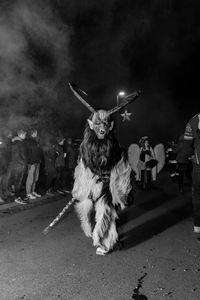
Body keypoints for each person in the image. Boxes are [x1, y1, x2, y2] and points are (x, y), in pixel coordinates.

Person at [176, 113, 200, 234]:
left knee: (197, 196)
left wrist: (184, 159)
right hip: (192, 165)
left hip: (197, 166)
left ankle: (198, 226)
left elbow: (187, 147)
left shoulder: (194, 120)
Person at [7, 129, 28, 205]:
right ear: (21, 135)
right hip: (19, 166)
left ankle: (18, 196)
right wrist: (23, 163)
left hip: (17, 165)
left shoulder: (18, 142)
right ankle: (17, 197)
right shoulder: (18, 143)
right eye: (25, 134)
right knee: (18, 182)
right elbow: (17, 156)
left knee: (18, 182)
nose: (25, 135)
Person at [25, 129, 43, 200]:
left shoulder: (36, 141)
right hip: (32, 163)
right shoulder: (29, 141)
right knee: (30, 178)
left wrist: (39, 160)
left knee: (35, 178)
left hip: (37, 162)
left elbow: (39, 151)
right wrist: (30, 161)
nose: (37, 134)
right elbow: (27, 153)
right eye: (36, 133)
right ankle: (28, 193)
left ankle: (33, 191)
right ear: (33, 133)